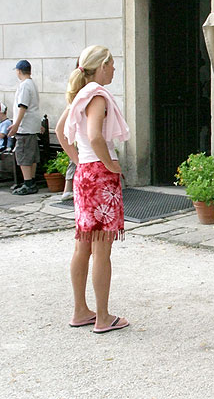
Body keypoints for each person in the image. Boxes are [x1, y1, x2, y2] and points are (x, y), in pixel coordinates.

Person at [57, 45, 130, 334]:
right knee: (102, 250)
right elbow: (95, 136)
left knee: (83, 245)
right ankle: (102, 316)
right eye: (112, 65)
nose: (114, 69)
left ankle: (80, 311)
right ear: (102, 66)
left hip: (85, 173)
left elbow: (63, 132)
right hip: (99, 176)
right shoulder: (97, 95)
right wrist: (110, 164)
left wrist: (78, 160)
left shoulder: (79, 95)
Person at [9, 60, 42, 195]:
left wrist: (16, 125)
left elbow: (23, 106)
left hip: (25, 126)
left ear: (19, 71)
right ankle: (31, 181)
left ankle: (28, 183)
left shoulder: (24, 86)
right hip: (32, 126)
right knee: (32, 155)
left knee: (23, 155)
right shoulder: (32, 84)